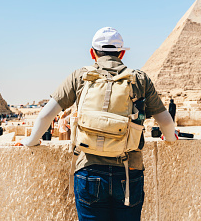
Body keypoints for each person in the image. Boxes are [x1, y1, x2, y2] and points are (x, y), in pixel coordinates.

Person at [21, 27, 177, 221]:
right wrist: (170, 139)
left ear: (92, 53)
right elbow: (166, 122)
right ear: (122, 53)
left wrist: (31, 141)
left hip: (89, 169)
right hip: (128, 172)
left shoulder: (80, 76)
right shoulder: (139, 79)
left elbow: (45, 116)